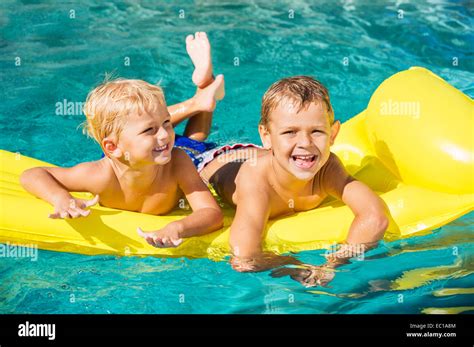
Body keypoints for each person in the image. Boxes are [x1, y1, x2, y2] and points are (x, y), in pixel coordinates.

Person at [20, 32, 224, 248]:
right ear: (112, 147)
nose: (165, 133)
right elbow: (32, 174)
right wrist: (61, 198)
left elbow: (212, 214)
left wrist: (178, 227)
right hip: (128, 155)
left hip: (165, 153)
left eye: (167, 122)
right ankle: (201, 97)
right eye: (150, 130)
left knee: (195, 141)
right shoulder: (99, 176)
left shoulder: (178, 162)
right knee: (172, 133)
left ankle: (204, 89)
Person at [199, 76, 390, 286]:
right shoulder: (256, 183)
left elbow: (375, 216)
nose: (305, 143)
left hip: (264, 153)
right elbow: (244, 257)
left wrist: (336, 261)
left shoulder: (329, 169)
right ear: (266, 135)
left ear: (333, 133)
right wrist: (294, 266)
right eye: (290, 132)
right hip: (211, 162)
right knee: (193, 143)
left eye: (317, 131)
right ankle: (201, 97)